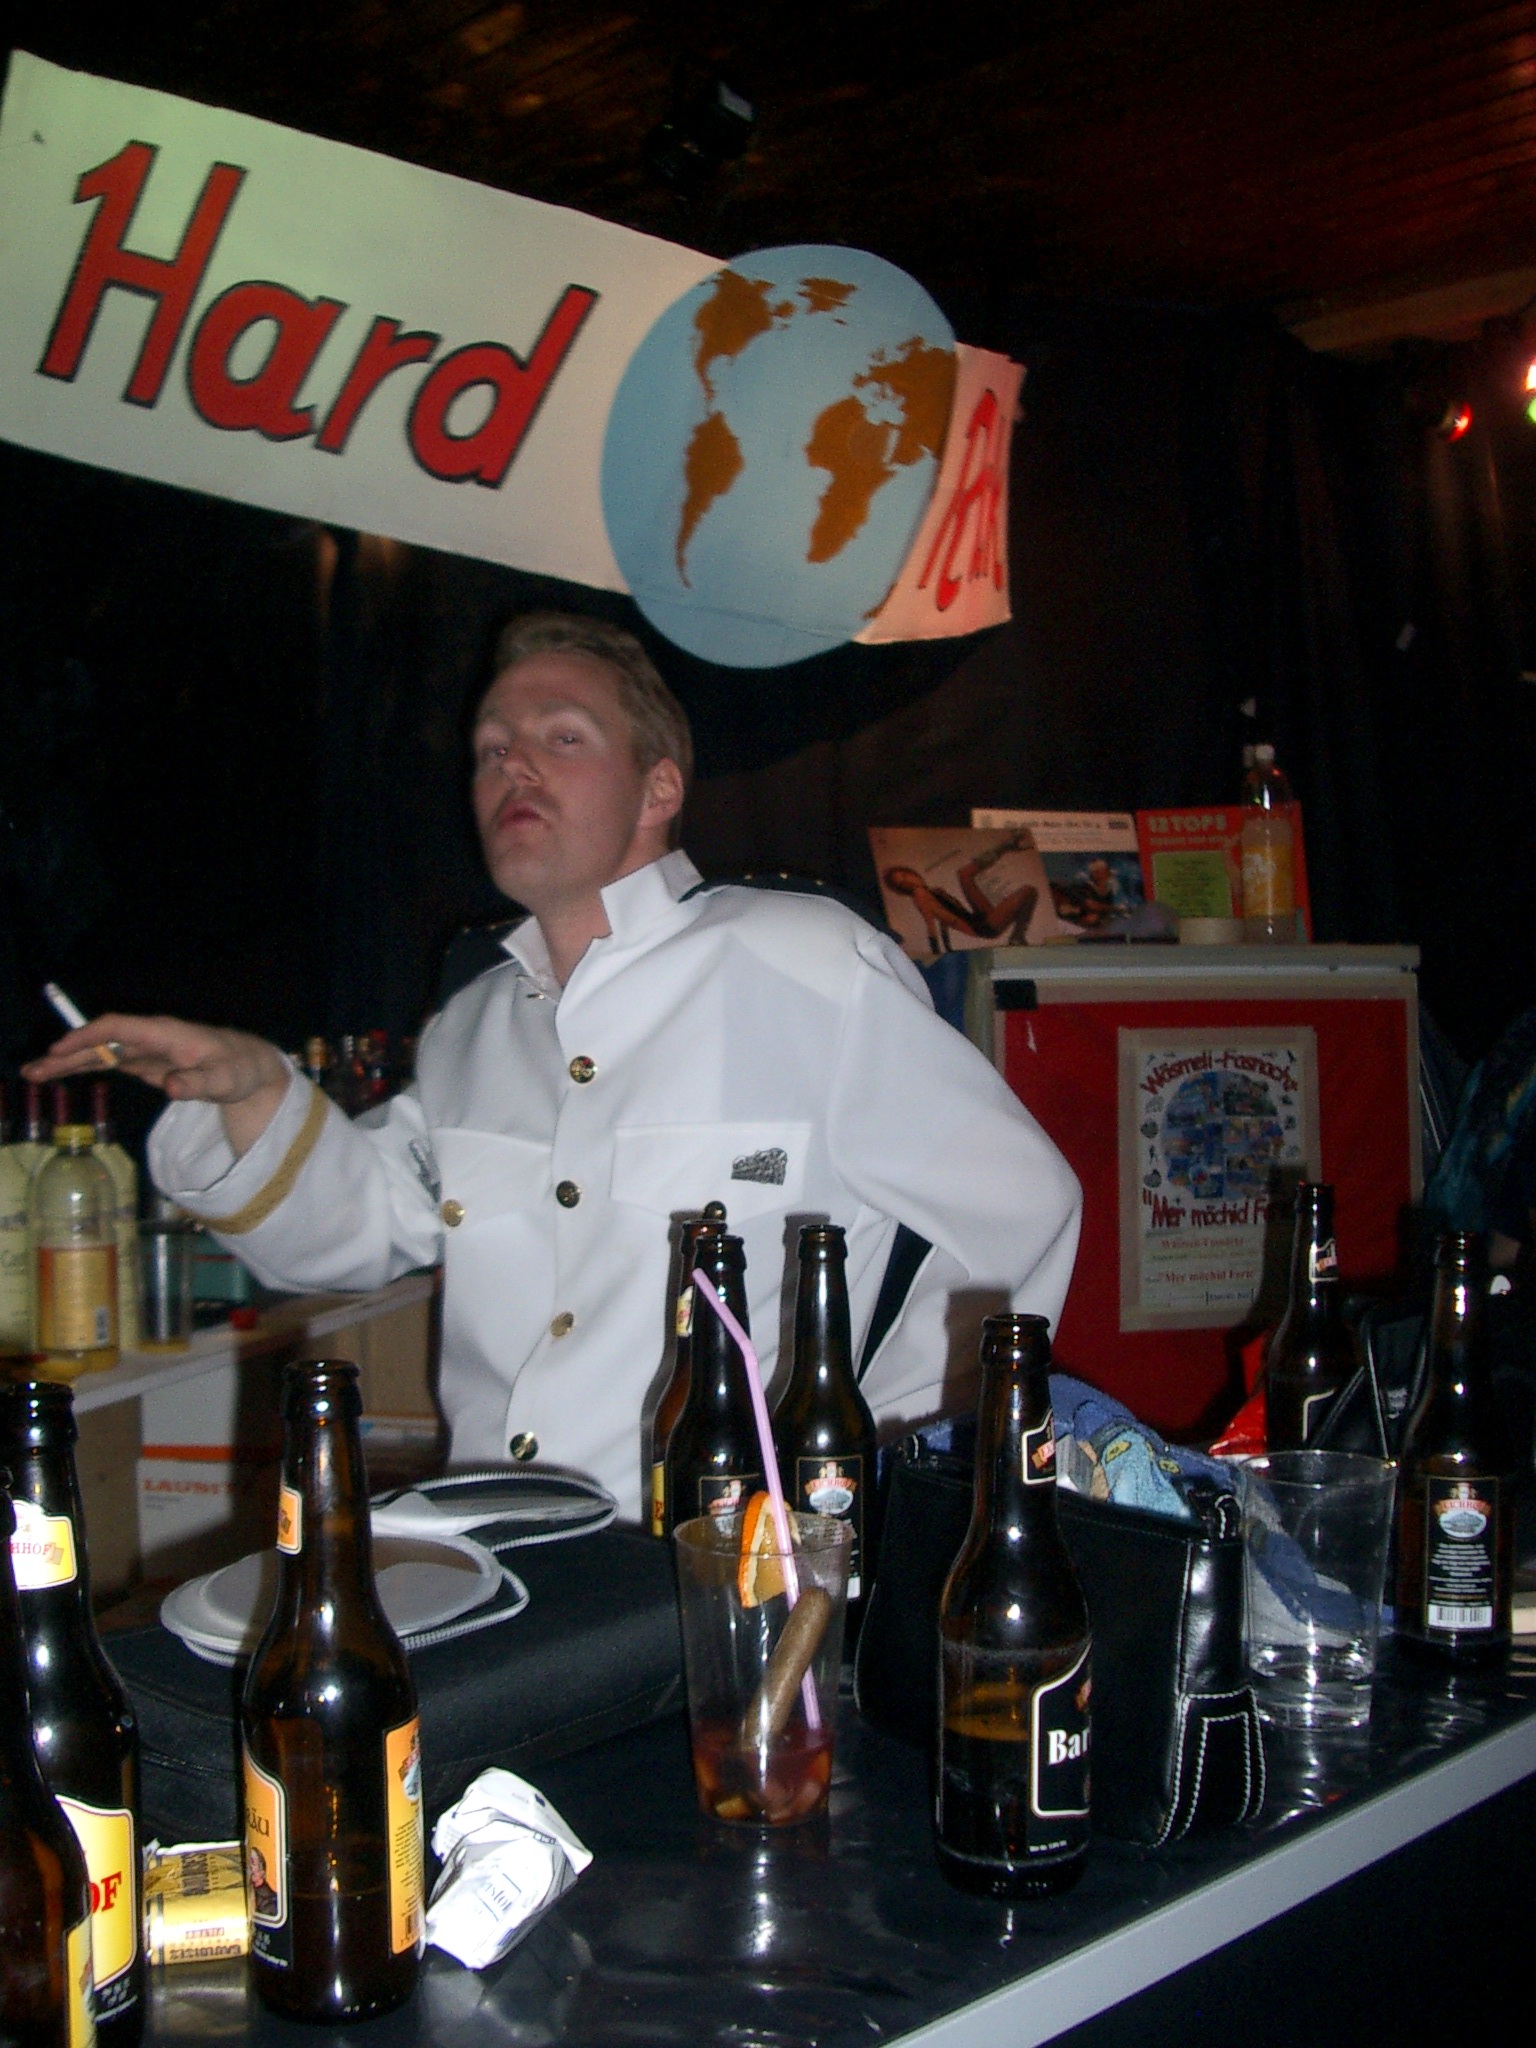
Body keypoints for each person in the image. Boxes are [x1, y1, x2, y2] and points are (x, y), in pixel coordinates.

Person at [25, 614, 1081, 1522]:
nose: (512, 767)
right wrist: (254, 1091)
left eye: (561, 737)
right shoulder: (470, 1024)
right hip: (494, 1554)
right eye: (491, 749)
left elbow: (1019, 1214)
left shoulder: (805, 963)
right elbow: (358, 1230)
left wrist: (866, 1457)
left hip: (724, 1566)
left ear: (659, 787)